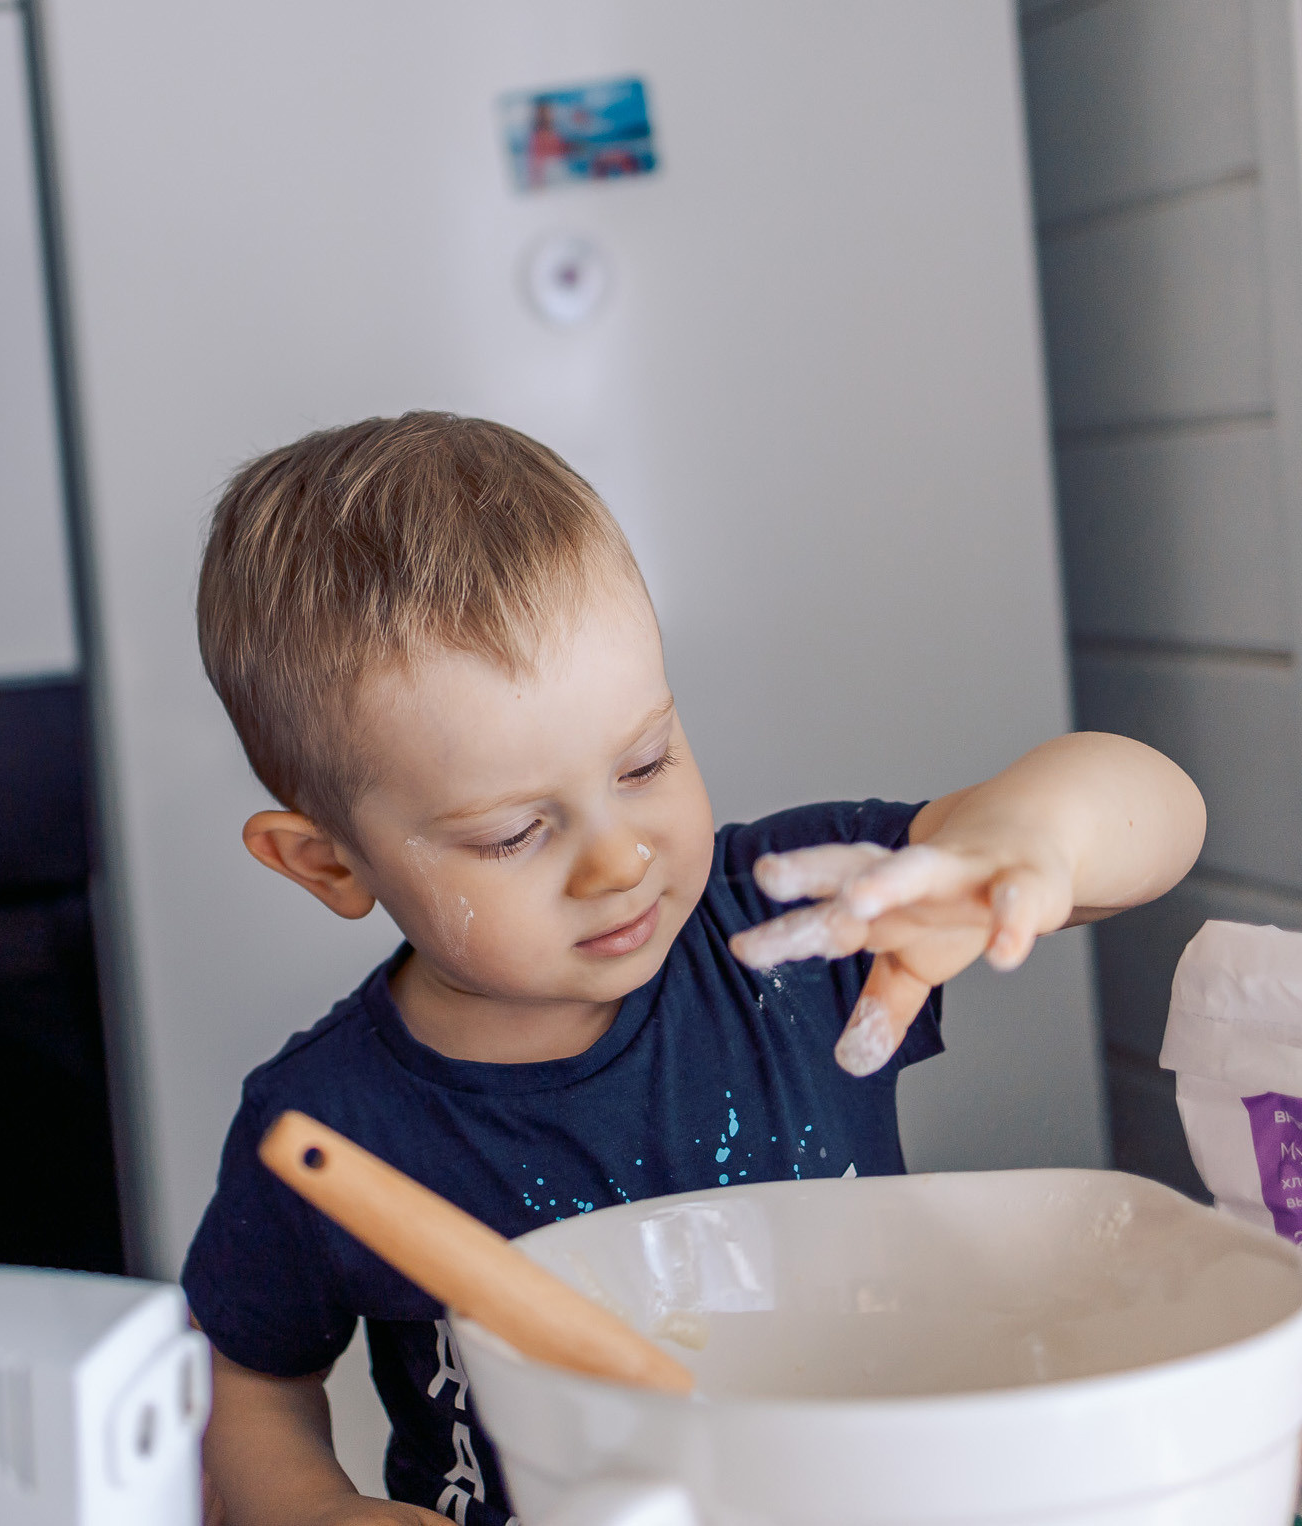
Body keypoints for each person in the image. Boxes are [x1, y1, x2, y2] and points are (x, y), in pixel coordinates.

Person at [183, 413, 1204, 1525]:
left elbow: (1153, 817)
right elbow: (244, 1379)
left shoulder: (790, 920)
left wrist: (1023, 843)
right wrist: (315, 1508)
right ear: (327, 860)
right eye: (514, 832)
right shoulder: (328, 1118)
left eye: (644, 760)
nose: (618, 857)